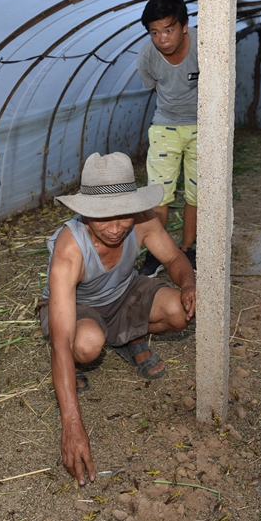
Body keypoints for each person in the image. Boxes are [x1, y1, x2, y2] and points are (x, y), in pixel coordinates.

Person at [38, 152, 196, 485]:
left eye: (123, 216)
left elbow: (174, 258)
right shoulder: (70, 249)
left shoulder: (143, 221)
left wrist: (188, 283)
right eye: (102, 218)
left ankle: (126, 336)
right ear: (84, 212)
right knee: (86, 343)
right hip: (79, 308)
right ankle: (116, 340)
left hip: (123, 293)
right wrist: (72, 425)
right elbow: (62, 340)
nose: (114, 228)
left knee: (180, 313)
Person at [136, 0, 199, 277]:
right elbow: (153, 88)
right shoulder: (147, 56)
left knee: (198, 194)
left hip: (204, 126)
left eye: (169, 29)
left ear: (184, 26)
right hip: (165, 126)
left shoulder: (204, 45)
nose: (162, 39)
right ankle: (157, 254)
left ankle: (188, 250)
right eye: (154, 32)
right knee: (158, 196)